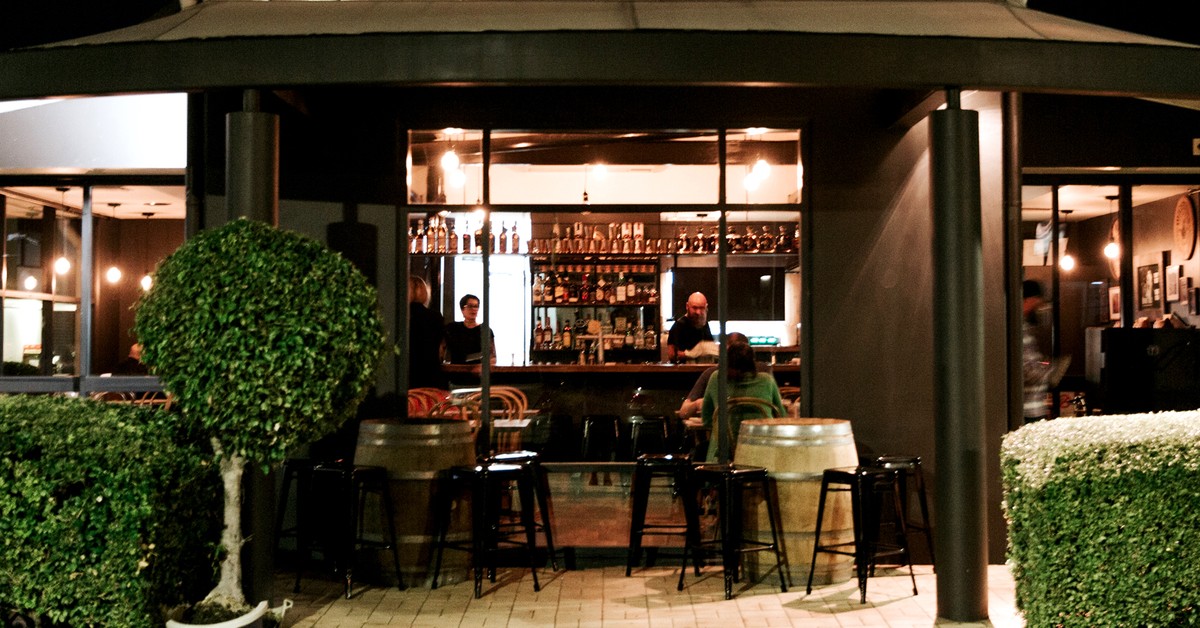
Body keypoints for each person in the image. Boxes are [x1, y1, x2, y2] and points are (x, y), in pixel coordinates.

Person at [698, 341, 784, 461]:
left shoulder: (716, 378)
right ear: (753, 362)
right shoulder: (767, 381)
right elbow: (781, 418)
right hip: (761, 455)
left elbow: (706, 419)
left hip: (722, 456)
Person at [677, 332, 754, 420]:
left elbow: (684, 412)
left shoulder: (714, 375)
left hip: (722, 428)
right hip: (757, 428)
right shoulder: (764, 374)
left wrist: (698, 404)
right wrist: (697, 404)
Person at [1023, 279, 1069, 422]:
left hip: (1031, 408)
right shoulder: (1020, 330)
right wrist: (1053, 370)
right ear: (1029, 300)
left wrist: (1045, 365)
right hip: (1028, 410)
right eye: (1038, 302)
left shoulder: (1023, 328)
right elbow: (1027, 371)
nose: (1041, 307)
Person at [408, 275, 448, 390]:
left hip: (408, 375)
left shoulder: (401, 316)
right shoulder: (436, 317)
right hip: (431, 375)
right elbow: (440, 349)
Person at [443, 294, 496, 365]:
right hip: (456, 369)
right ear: (462, 309)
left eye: (476, 306)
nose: (473, 309)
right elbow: (442, 350)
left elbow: (492, 357)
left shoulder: (485, 330)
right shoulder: (452, 328)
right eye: (470, 306)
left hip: (478, 369)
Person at [667, 292, 714, 362]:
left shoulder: (704, 324)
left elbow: (710, 348)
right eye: (695, 308)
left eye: (701, 308)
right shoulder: (678, 326)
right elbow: (673, 355)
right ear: (687, 306)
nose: (698, 312)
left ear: (706, 307)